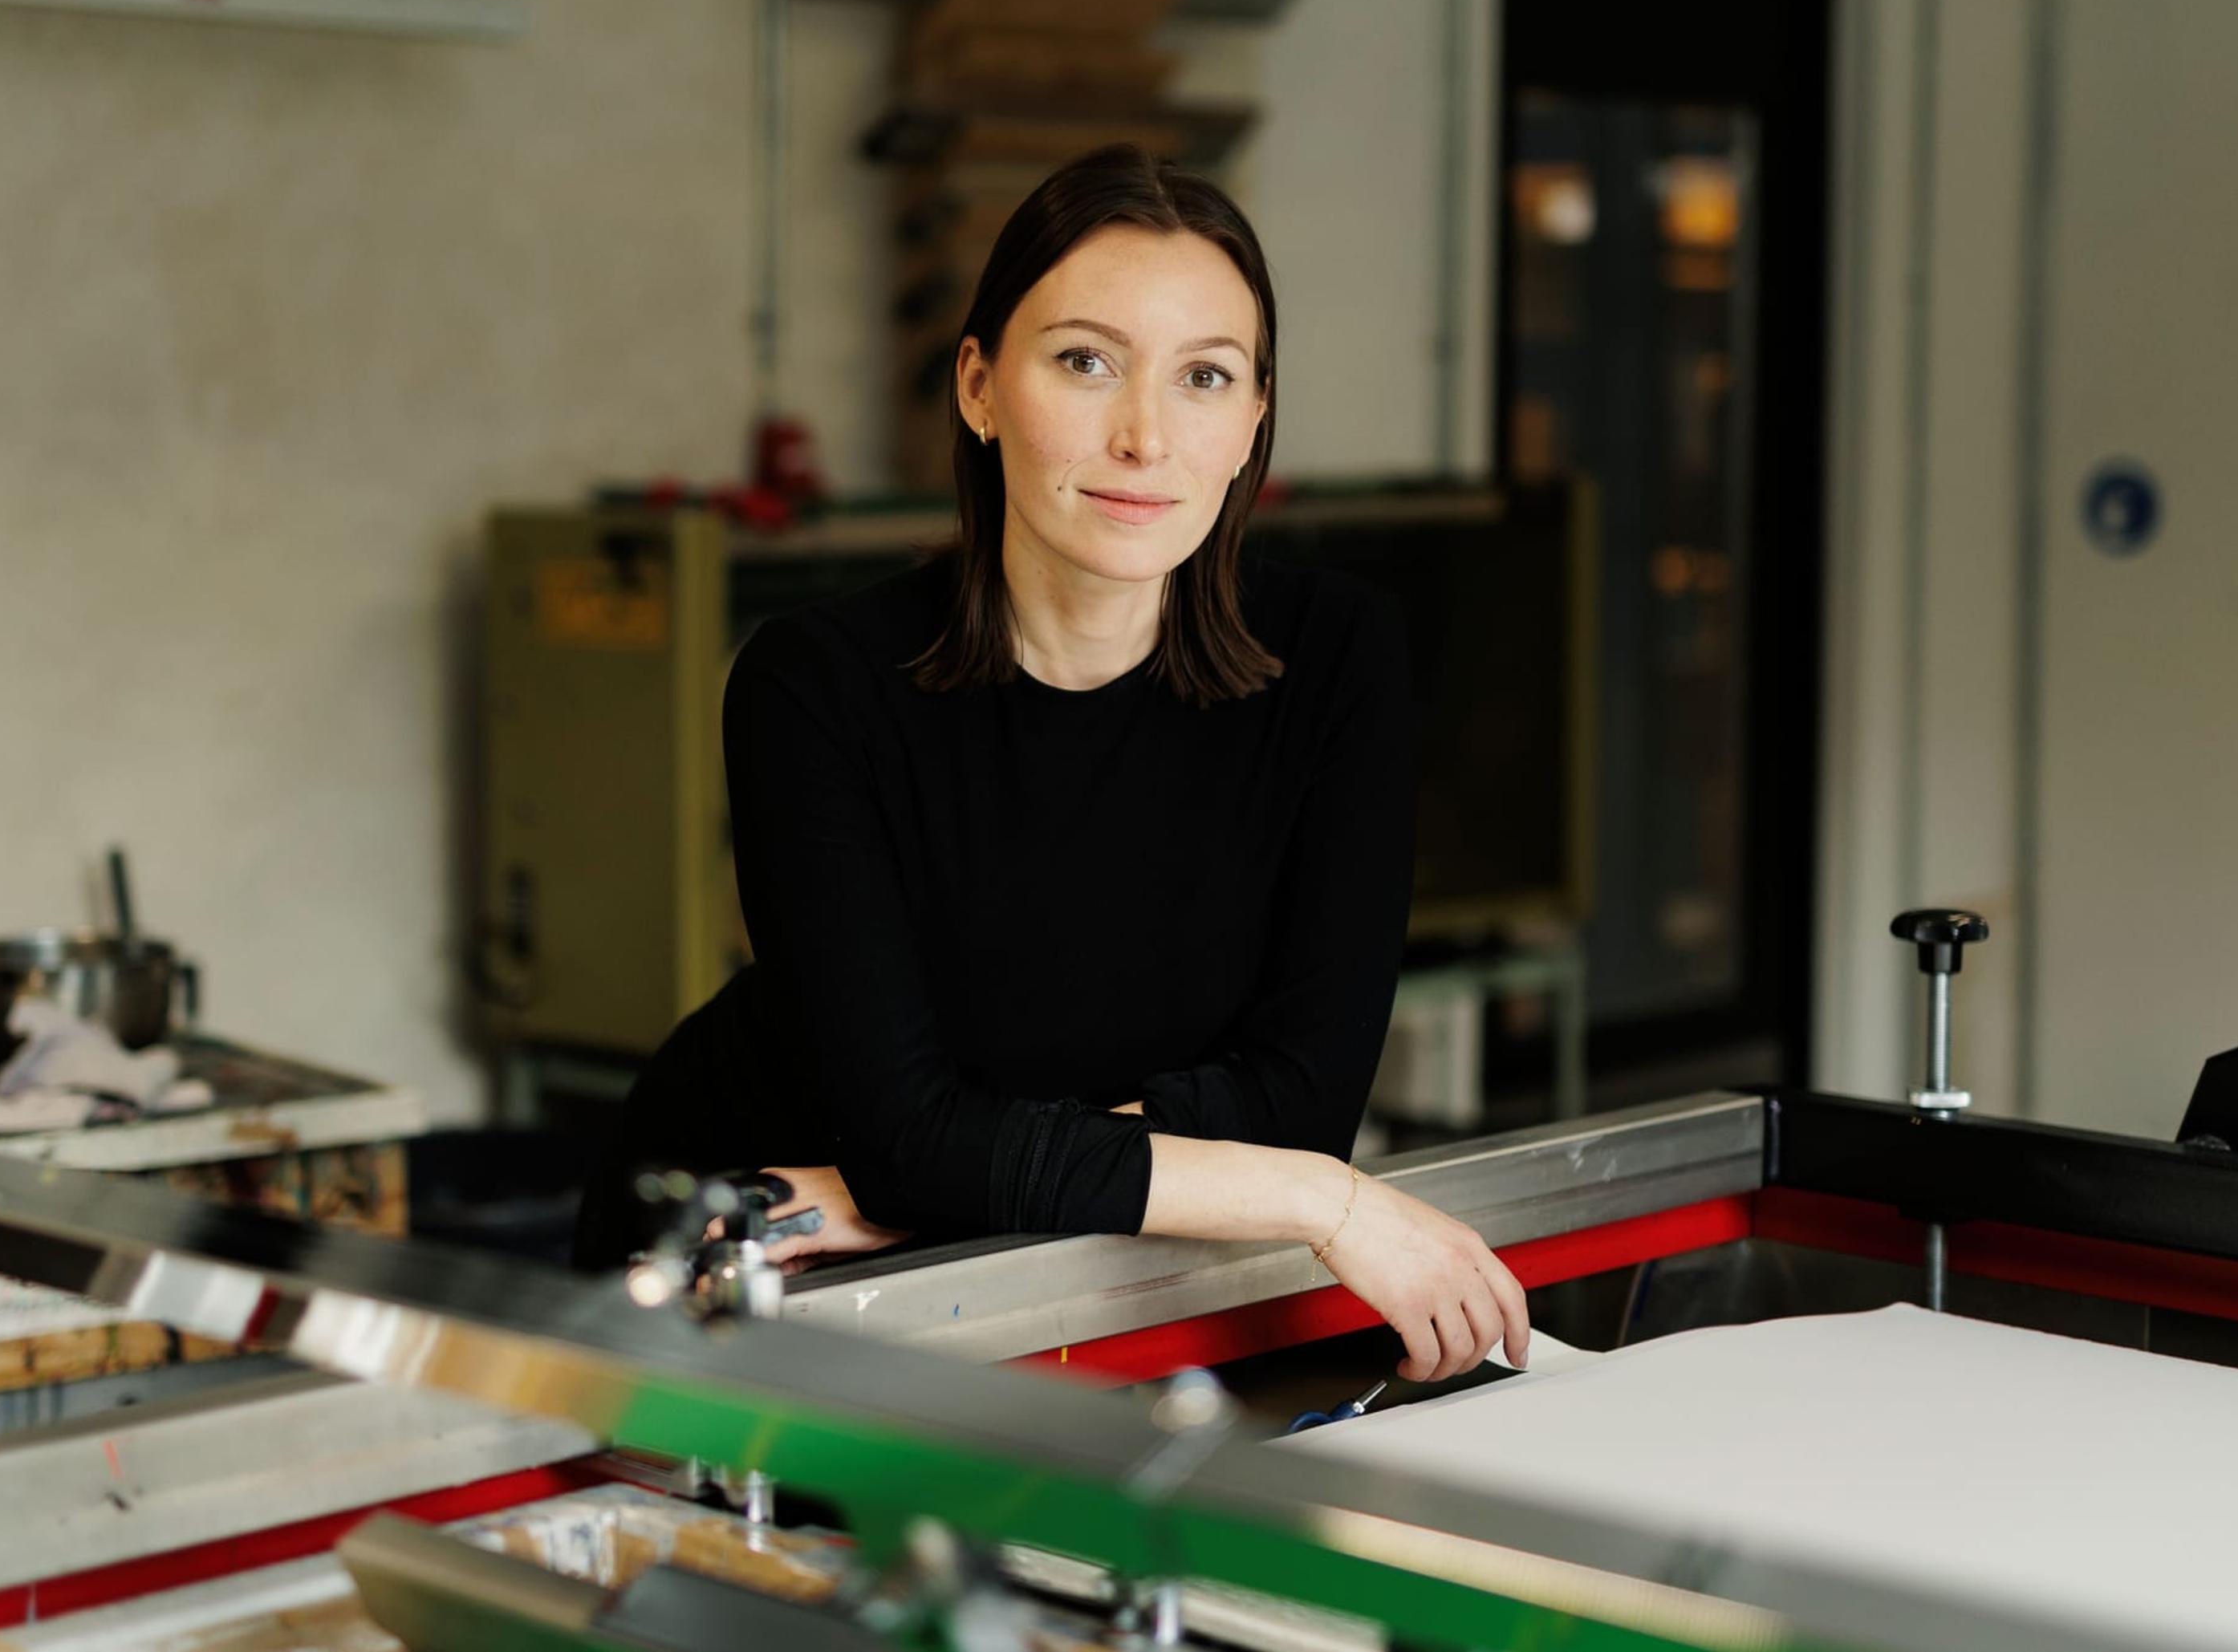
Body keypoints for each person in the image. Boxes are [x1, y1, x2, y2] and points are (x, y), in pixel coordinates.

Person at [575, 146, 1529, 1383]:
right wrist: (1323, 1203)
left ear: (1252, 424)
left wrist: (925, 1177)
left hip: (970, 1247)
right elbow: (1262, 1155)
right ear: (978, 385)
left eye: (1204, 378)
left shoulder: (1337, 658)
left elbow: (1301, 1111)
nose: (1144, 436)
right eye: (1086, 361)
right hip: (773, 1283)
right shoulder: (817, 684)